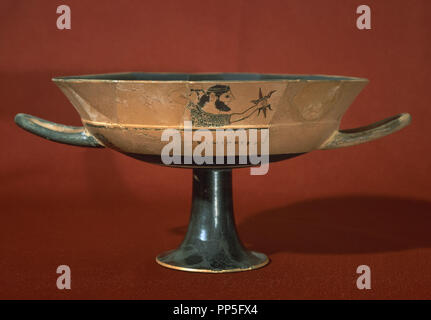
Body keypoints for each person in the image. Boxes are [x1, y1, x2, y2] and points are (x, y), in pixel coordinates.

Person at [187, 85, 275, 127]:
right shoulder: (192, 108)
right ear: (213, 96)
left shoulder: (217, 119)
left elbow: (241, 116)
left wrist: (257, 107)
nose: (232, 99)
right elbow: (175, 95)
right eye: (227, 96)